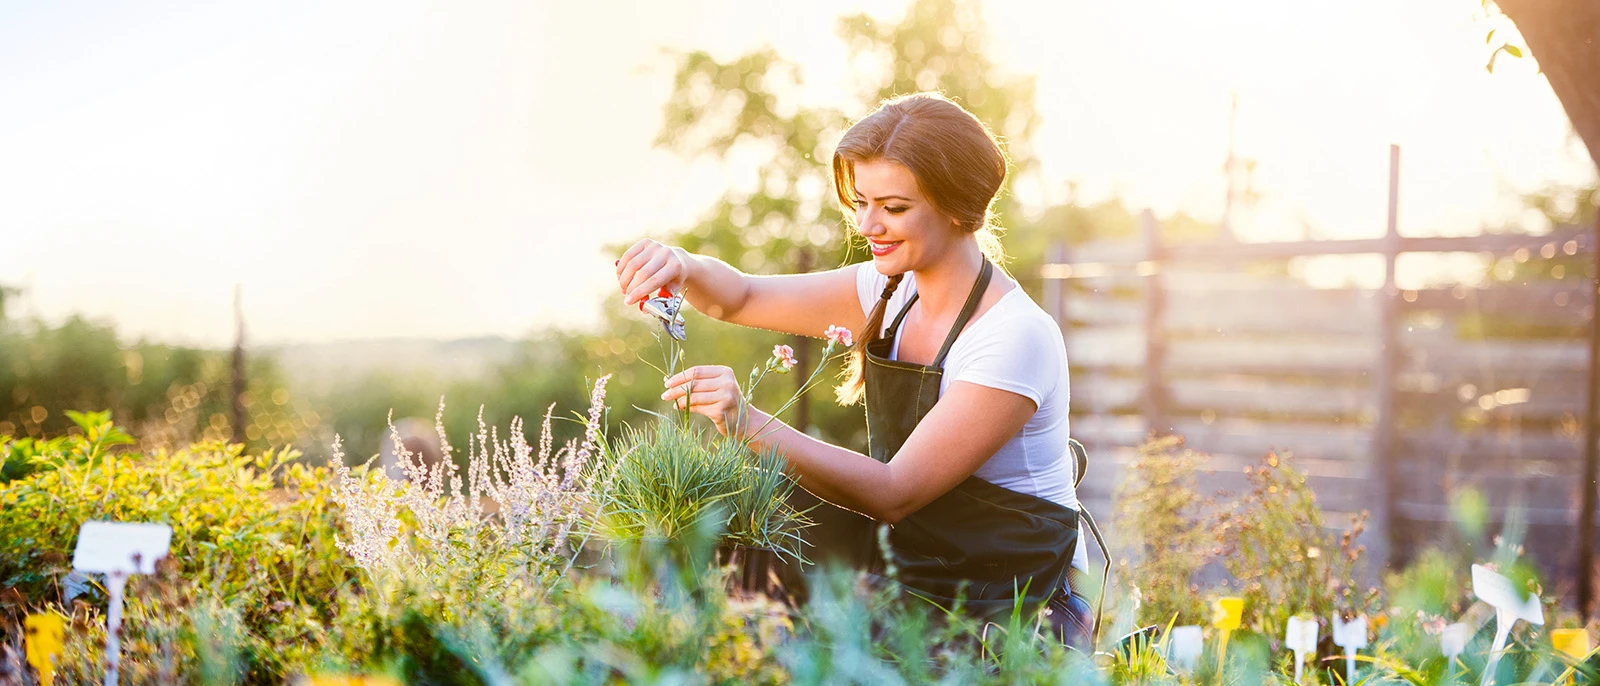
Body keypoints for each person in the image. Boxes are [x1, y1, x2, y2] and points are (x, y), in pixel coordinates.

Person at [615, 92, 1093, 647]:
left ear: (957, 207)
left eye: (893, 208)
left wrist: (746, 421)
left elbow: (895, 491)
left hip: (1016, 598)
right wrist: (684, 263)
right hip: (914, 559)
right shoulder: (888, 290)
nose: (868, 223)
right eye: (861, 201)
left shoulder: (1013, 336)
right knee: (734, 535)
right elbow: (739, 298)